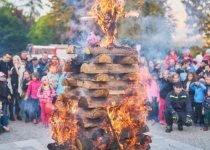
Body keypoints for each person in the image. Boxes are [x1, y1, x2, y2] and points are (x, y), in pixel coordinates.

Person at [8, 55, 24, 121]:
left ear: (18, 60)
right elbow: (9, 78)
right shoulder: (12, 68)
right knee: (11, 102)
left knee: (18, 102)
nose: (14, 61)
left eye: (16, 60)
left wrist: (16, 67)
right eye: (13, 60)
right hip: (12, 86)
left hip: (18, 87)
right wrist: (9, 74)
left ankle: (18, 115)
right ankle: (11, 115)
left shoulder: (22, 67)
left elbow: (20, 75)